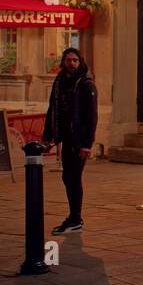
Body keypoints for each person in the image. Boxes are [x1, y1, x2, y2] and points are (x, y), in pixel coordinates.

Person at [42, 47, 98, 234]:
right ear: (63, 62)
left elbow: (92, 117)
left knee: (72, 177)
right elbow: (53, 109)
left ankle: (75, 218)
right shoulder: (60, 82)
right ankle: (74, 216)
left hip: (79, 139)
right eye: (68, 60)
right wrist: (48, 135)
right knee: (68, 177)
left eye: (75, 60)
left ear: (80, 62)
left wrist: (87, 145)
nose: (72, 63)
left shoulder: (86, 84)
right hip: (66, 137)